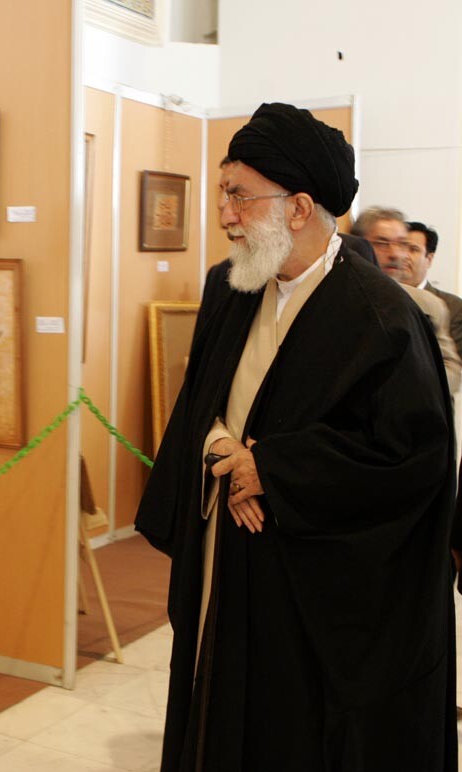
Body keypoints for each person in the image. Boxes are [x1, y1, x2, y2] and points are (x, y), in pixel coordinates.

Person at [136, 102, 457, 771]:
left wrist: (276, 471)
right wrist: (223, 452)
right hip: (227, 557)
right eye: (223, 193)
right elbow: (199, 405)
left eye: (238, 195)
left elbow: (412, 462)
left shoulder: (381, 316)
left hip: (310, 590)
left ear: (300, 208)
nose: (223, 213)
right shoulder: (233, 288)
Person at [352, 209, 461, 398]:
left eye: (402, 244)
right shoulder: (339, 298)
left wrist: (412, 389)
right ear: (358, 246)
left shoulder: (429, 305)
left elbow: (450, 368)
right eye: (382, 243)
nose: (395, 254)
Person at [407, 221, 462, 359]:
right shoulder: (378, 297)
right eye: (401, 247)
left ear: (429, 259)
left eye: (413, 249)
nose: (404, 255)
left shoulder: (453, 306)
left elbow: (453, 361)